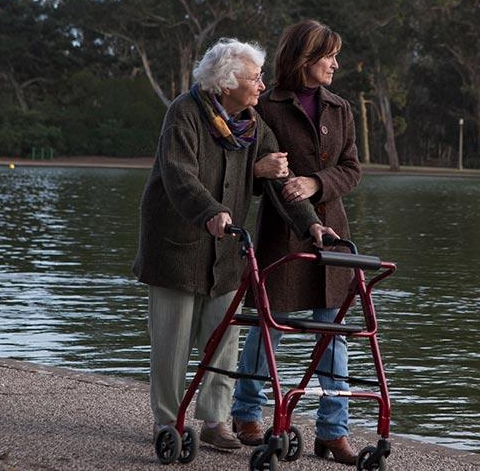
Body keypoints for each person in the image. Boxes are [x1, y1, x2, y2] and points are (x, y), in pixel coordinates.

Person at [132, 38, 332, 451]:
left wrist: (311, 225)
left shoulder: (253, 124)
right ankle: (168, 421)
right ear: (226, 84)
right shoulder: (184, 114)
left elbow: (279, 179)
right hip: (177, 245)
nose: (262, 86)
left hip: (226, 250)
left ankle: (214, 420)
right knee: (171, 342)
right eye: (255, 79)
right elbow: (179, 175)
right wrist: (210, 210)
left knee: (223, 340)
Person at [231, 20, 362, 465]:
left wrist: (315, 182)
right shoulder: (264, 106)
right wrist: (267, 174)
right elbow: (246, 169)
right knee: (269, 330)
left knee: (336, 334)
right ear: (306, 58)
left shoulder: (341, 108)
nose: (336, 64)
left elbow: (351, 169)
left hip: (332, 237)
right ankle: (246, 414)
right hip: (280, 235)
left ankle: (332, 431)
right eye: (329, 56)